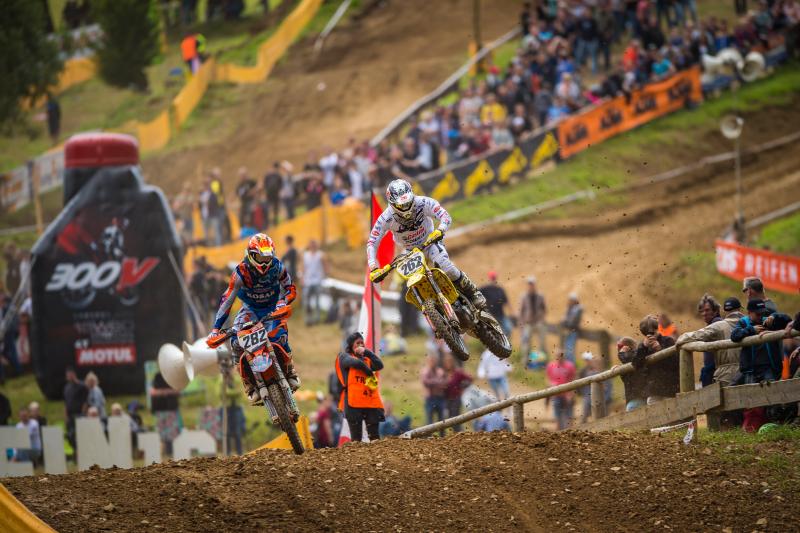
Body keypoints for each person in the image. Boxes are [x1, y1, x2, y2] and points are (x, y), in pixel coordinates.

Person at [367, 179, 487, 311]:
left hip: (430, 242)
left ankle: (473, 292)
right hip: (410, 252)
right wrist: (373, 267)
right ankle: (435, 312)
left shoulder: (423, 202)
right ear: (392, 203)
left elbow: (445, 216)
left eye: (407, 202)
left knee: (445, 266)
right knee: (413, 283)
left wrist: (440, 229)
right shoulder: (385, 218)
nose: (406, 207)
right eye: (401, 205)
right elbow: (372, 241)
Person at [207, 233, 298, 404]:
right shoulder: (240, 273)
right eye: (260, 258)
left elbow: (291, 288)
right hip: (250, 310)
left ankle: (290, 370)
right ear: (250, 255)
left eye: (267, 258)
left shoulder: (278, 267)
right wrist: (215, 329)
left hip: (272, 308)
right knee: (236, 342)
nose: (264, 262)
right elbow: (227, 300)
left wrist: (283, 302)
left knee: (280, 334)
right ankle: (248, 383)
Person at [335, 332, 384, 442]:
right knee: (356, 440)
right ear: (351, 346)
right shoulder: (343, 356)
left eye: (362, 343)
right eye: (357, 343)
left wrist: (367, 352)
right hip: (353, 404)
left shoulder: (368, 359)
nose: (361, 345)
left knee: (375, 438)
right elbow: (355, 363)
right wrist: (368, 371)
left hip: (371, 402)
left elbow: (380, 365)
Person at [731, 299, 791, 384]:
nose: (761, 316)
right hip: (751, 370)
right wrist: (751, 330)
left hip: (769, 368)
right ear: (749, 312)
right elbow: (734, 336)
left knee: (771, 390)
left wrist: (775, 316)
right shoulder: (743, 322)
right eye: (758, 314)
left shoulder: (769, 321)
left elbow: (789, 321)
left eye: (762, 313)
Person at [632, 315, 678, 405]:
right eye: (646, 334)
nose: (650, 335)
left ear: (657, 329)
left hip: (670, 389)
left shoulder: (668, 341)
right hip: (654, 391)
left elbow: (676, 363)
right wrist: (644, 347)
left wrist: (660, 349)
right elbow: (636, 365)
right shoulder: (642, 346)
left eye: (653, 332)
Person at [150, 372, 182, 455]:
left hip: (171, 408)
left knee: (172, 432)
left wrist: (167, 392)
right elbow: (153, 391)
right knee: (161, 432)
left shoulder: (174, 375)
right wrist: (164, 392)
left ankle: (170, 451)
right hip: (160, 409)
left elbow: (178, 390)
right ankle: (163, 451)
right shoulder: (158, 376)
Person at [546, 350, 576, 430]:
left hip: (567, 394)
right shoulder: (551, 366)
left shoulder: (570, 366)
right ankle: (559, 431)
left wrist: (571, 393)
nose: (559, 357)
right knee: (557, 417)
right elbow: (548, 379)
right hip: (556, 395)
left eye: (560, 355)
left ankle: (571, 431)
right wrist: (550, 385)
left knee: (569, 416)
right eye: (557, 355)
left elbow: (573, 379)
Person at [519, 276, 547, 363]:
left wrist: (542, 319)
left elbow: (544, 308)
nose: (531, 286)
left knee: (542, 342)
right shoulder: (524, 297)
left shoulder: (540, 296)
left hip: (538, 322)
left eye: (532, 284)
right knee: (526, 343)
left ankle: (542, 361)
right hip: (528, 323)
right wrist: (521, 323)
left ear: (535, 285)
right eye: (529, 284)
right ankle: (525, 361)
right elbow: (521, 311)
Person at [442, 354, 472, 432]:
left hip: (456, 398)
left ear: (452, 362)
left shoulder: (458, 372)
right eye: (446, 362)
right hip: (446, 399)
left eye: (449, 362)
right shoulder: (443, 373)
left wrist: (462, 388)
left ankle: (459, 433)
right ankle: (456, 433)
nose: (448, 364)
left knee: (455, 417)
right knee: (449, 418)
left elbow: (470, 378)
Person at [420, 353, 447, 436]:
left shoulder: (440, 371)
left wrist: (435, 382)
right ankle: (428, 437)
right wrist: (437, 382)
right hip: (430, 398)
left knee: (442, 419)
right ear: (428, 361)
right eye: (431, 361)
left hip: (440, 398)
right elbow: (425, 382)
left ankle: (442, 437)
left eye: (434, 361)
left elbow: (444, 382)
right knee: (429, 420)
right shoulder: (425, 371)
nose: (433, 362)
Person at [301, 239, 327, 326]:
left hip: (317, 281)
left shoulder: (320, 255)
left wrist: (325, 276)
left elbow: (325, 265)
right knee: (307, 301)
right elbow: (303, 267)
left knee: (317, 301)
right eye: (311, 245)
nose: (312, 246)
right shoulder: (305, 255)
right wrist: (302, 277)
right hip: (308, 281)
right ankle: (308, 319)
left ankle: (317, 318)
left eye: (314, 245)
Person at [63, 367, 88, 452]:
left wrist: (82, 415)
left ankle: (82, 452)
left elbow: (85, 402)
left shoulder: (82, 386)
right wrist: (66, 416)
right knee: (70, 436)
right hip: (70, 416)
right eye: (67, 375)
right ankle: (75, 451)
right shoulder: (66, 387)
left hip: (79, 414)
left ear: (73, 374)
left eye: (69, 375)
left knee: (80, 436)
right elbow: (66, 403)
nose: (68, 377)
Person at [561, 293, 583, 364]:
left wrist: (565, 321)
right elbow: (564, 319)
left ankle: (571, 365)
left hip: (573, 331)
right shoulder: (570, 308)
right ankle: (569, 364)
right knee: (567, 348)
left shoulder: (578, 308)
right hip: (569, 330)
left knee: (570, 349)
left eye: (571, 300)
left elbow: (571, 320)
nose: (570, 301)